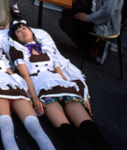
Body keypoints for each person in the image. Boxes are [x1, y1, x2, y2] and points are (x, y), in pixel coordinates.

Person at [8, 21, 113, 150]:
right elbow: (25, 76)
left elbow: (60, 73)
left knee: (88, 127)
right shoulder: (18, 50)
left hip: (61, 84)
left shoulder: (45, 47)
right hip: (42, 87)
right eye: (18, 31)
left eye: (24, 28)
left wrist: (77, 91)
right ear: (16, 37)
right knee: (65, 129)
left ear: (31, 31)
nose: (23, 31)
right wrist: (34, 98)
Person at [0, 24, 55, 150]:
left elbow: (11, 73)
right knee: (6, 126)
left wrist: (27, 93)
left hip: (13, 86)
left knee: (34, 125)